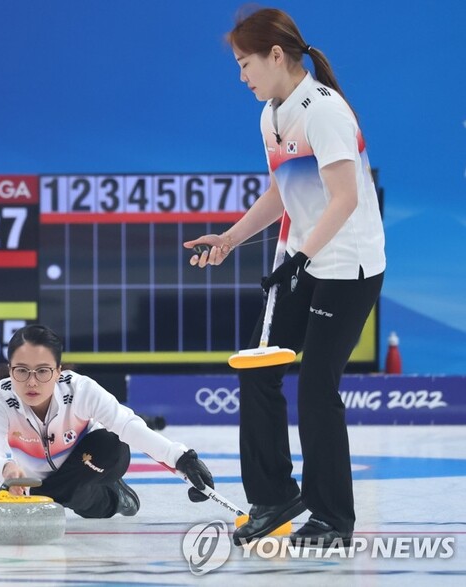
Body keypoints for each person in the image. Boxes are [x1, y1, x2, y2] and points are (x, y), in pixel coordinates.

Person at [184, 8, 385, 548]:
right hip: (301, 259)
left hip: (348, 266)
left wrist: (301, 259)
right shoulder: (271, 114)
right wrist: (228, 239)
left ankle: (333, 519)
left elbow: (345, 198)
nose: (242, 76)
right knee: (257, 371)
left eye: (245, 63)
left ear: (276, 56)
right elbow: (283, 190)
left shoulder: (324, 111)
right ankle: (274, 497)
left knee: (317, 388)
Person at [0, 324, 215, 520]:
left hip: (97, 458)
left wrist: (182, 459)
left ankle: (50, 495)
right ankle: (116, 499)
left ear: (58, 371)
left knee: (109, 443)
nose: (32, 382)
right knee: (78, 500)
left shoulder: (79, 389)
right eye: (22, 371)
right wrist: (5, 469)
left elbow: (126, 425)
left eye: (42, 371)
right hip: (50, 483)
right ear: (10, 371)